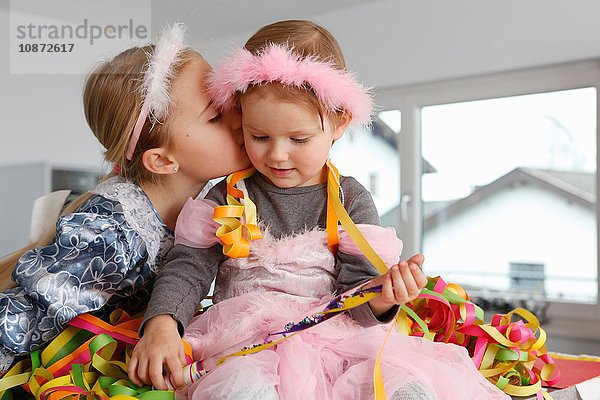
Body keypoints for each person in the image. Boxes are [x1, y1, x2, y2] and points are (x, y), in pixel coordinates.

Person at [131, 20, 510, 400]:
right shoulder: (227, 194)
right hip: (245, 343)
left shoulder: (350, 199)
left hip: (337, 344)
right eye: (258, 136)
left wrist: (381, 296)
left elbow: (357, 298)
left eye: (299, 139)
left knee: (408, 389)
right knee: (241, 391)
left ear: (340, 121)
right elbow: (188, 266)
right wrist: (163, 322)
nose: (277, 154)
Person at [0, 23, 249, 375]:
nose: (239, 119)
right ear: (162, 160)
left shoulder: (205, 208)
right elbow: (19, 320)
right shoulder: (110, 234)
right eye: (215, 115)